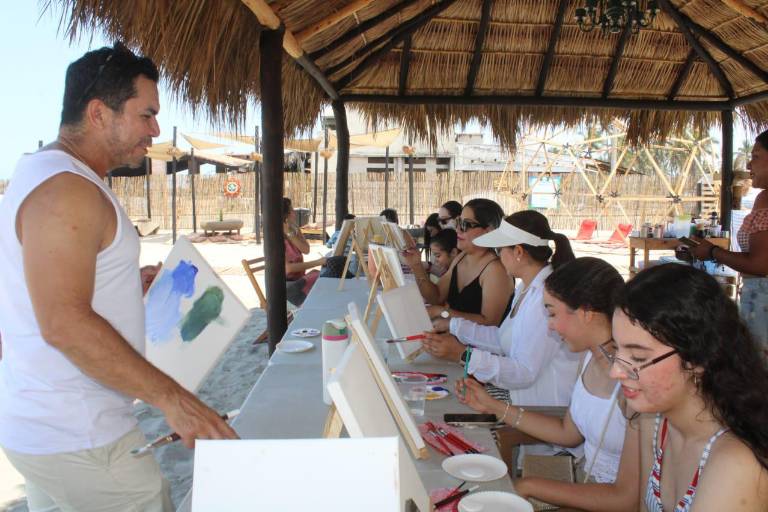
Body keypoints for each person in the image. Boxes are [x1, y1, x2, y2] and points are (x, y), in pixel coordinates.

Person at [0, 43, 237, 512]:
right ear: (98, 113)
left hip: (51, 430)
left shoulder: (43, 173)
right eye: (146, 114)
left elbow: (44, 291)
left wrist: (127, 282)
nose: (154, 129)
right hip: (81, 436)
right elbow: (63, 322)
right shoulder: (67, 190)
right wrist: (174, 399)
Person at [457, 258, 639, 510]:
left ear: (586, 312)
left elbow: (626, 499)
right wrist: (495, 407)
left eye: (552, 313)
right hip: (587, 484)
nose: (550, 326)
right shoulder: (590, 358)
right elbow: (568, 434)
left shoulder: (632, 383)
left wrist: (529, 485)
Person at [611, 264, 768, 511]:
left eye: (638, 358)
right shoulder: (654, 422)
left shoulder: (735, 464)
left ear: (699, 359)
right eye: (616, 351)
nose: (616, 372)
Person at [424, 210, 580, 417]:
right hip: (521, 397)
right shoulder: (527, 286)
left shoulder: (545, 298)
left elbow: (524, 372)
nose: (498, 256)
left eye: (500, 250)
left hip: (540, 409)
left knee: (444, 410)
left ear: (518, 252)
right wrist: (452, 325)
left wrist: (463, 355)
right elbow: (503, 339)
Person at [691, 130, 768, 348]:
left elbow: (760, 265)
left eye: (756, 156)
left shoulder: (766, 199)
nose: (749, 166)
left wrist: (713, 252)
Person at [402, 198, 513, 326]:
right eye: (458, 222)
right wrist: (416, 265)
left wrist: (442, 312)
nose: (458, 229)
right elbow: (436, 297)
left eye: (466, 224)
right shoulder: (462, 258)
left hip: (472, 346)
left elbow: (489, 323)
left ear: (488, 231)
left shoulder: (496, 270)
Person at [284, 197, 325, 306]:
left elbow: (306, 250)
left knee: (321, 275)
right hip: (286, 286)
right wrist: (318, 262)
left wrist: (291, 233)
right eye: (291, 210)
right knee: (319, 279)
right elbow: (288, 269)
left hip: (298, 280)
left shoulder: (294, 230)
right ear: (285, 216)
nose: (294, 213)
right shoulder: (275, 238)